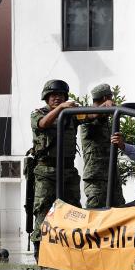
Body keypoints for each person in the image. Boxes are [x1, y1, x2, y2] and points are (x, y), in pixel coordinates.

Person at [30, 79, 83, 259]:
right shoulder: (38, 113)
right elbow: (43, 124)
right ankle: (40, 250)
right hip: (46, 171)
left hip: (67, 171)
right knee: (43, 211)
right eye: (53, 95)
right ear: (46, 97)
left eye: (60, 95)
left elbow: (90, 116)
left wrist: (101, 105)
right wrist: (61, 109)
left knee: (74, 211)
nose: (57, 98)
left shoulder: (71, 115)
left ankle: (74, 249)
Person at [79, 83, 124, 209]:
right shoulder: (87, 116)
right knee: (94, 213)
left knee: (118, 211)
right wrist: (105, 106)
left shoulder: (105, 119)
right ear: (106, 98)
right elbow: (93, 115)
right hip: (96, 177)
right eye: (110, 97)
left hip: (112, 175)